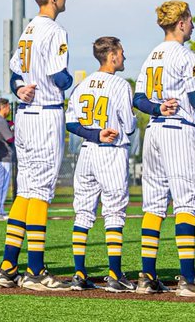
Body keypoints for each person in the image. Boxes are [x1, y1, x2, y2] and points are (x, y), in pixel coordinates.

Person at [0, 0, 72, 291]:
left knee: (26, 191)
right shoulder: (54, 30)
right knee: (39, 192)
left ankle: (8, 265)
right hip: (45, 114)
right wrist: (77, 86)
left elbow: (15, 72)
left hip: (25, 115)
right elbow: (58, 75)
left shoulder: (28, 30)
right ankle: (36, 270)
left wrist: (17, 89)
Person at [132, 0, 195, 296]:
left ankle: (146, 276)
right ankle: (188, 279)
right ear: (181, 23)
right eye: (190, 21)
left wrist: (157, 107)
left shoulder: (152, 55)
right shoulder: (184, 54)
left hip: (154, 130)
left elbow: (138, 99)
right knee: (186, 204)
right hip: (179, 131)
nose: (192, 26)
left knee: (153, 206)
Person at [65, 36, 136, 292]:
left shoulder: (81, 85)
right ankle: (115, 274)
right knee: (114, 212)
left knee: (83, 212)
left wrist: (94, 134)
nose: (124, 57)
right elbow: (128, 125)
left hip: (87, 152)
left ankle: (79, 273)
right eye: (122, 52)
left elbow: (71, 123)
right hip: (111, 152)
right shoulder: (120, 85)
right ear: (113, 55)